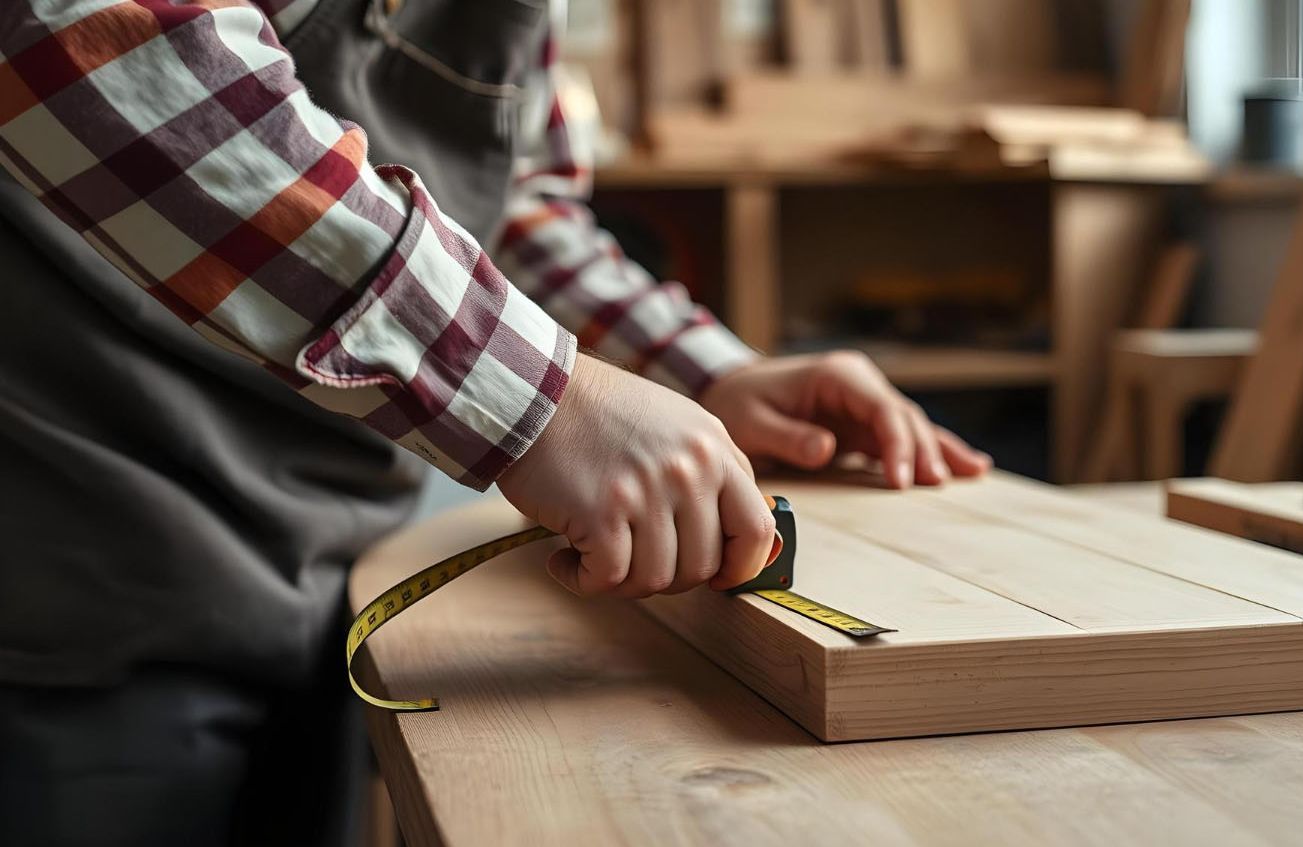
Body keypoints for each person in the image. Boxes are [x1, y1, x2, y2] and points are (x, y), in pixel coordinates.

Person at [0, 1, 991, 844]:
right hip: (76, 542)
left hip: (338, 548)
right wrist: (542, 401)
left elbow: (510, 200)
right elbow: (96, 43)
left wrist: (712, 374)